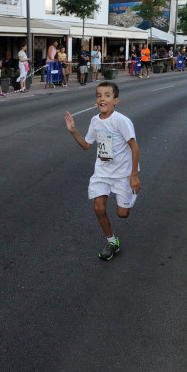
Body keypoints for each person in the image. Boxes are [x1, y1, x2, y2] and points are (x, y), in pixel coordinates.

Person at [64, 82, 140, 261]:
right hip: (102, 172)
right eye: (99, 95)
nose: (102, 98)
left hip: (122, 173)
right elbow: (87, 145)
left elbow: (134, 147)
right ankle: (112, 241)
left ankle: (132, 191)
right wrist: (73, 131)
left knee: (123, 214)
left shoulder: (121, 121)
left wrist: (134, 175)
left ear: (115, 100)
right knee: (98, 208)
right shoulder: (95, 121)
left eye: (107, 95)